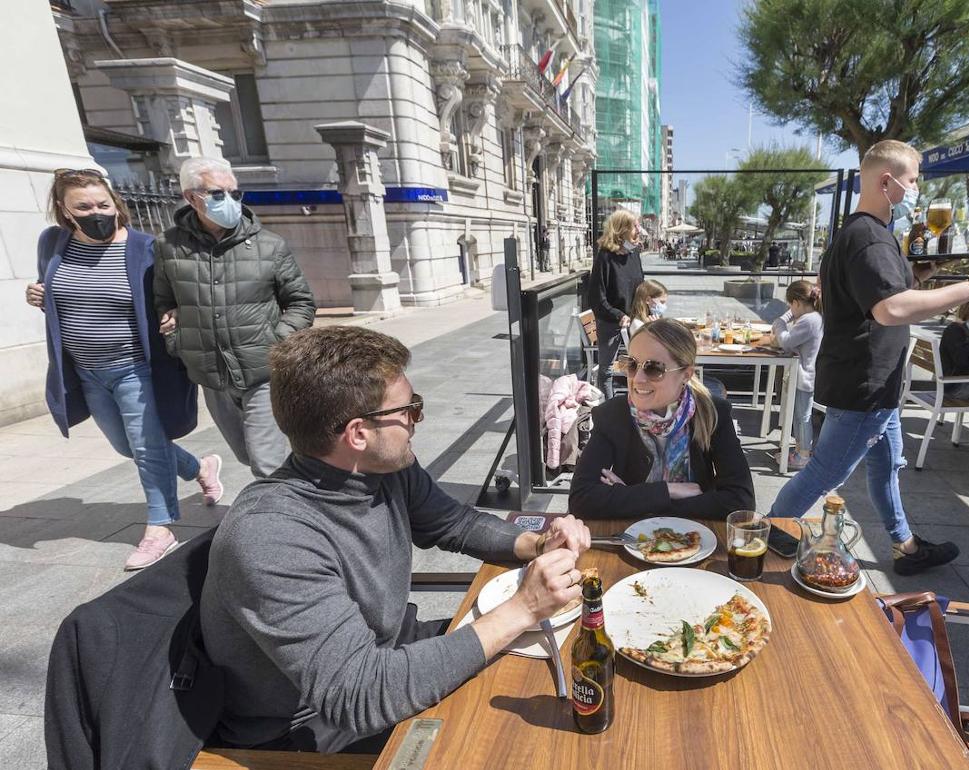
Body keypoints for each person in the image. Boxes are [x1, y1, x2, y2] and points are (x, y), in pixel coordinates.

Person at [200, 325, 592, 753]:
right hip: (310, 731)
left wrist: (538, 544)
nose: (415, 422)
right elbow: (361, 696)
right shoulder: (272, 536)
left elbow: (454, 523)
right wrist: (523, 608)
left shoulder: (383, 467)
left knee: (576, 659)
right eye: (409, 410)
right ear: (358, 434)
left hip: (397, 654)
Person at [768, 139, 969, 576]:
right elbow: (891, 308)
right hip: (866, 383)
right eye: (913, 181)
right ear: (887, 182)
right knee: (824, 473)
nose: (916, 191)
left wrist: (920, 273)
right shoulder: (871, 239)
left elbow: (881, 290)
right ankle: (766, 540)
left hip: (875, 381)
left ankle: (905, 546)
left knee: (885, 469)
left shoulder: (861, 233)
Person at [25, 169, 222, 571]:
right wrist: (40, 294)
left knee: (148, 448)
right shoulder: (52, 243)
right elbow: (62, 290)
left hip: (135, 367)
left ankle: (161, 526)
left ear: (116, 203)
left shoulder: (145, 248)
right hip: (85, 369)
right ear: (64, 210)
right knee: (125, 447)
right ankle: (199, 467)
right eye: (84, 206)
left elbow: (179, 294)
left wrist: (176, 312)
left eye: (103, 203)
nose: (96, 212)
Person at [154, 157, 316, 478]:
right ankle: (303, 484)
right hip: (212, 376)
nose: (228, 201)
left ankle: (284, 520)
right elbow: (164, 300)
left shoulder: (270, 246)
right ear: (191, 197)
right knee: (246, 454)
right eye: (217, 194)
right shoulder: (168, 247)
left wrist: (277, 342)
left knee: (265, 464)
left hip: (262, 370)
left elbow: (301, 303)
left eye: (234, 193)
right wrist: (175, 336)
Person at [569, 318, 754, 520]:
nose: (637, 379)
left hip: (696, 541)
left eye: (653, 368)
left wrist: (632, 498)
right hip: (632, 541)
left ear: (686, 375)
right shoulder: (612, 415)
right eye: (631, 364)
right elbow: (581, 500)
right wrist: (668, 491)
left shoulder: (713, 413)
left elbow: (740, 502)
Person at [587, 209, 645, 392]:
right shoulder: (604, 257)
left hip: (634, 320)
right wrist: (618, 315)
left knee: (642, 367)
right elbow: (596, 297)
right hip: (611, 322)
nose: (639, 230)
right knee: (607, 371)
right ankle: (606, 412)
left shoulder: (633, 254)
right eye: (634, 226)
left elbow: (640, 286)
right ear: (621, 230)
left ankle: (636, 405)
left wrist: (648, 307)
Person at [771, 280, 823, 469]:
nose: (790, 309)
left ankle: (803, 456)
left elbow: (786, 341)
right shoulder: (812, 317)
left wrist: (780, 323)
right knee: (799, 416)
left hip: (804, 377)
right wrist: (788, 316)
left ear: (798, 303)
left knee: (802, 417)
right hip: (804, 375)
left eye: (791, 305)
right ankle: (801, 450)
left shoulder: (809, 321)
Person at [621, 279, 668, 345]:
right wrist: (657, 328)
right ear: (648, 300)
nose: (664, 306)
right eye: (662, 302)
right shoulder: (638, 324)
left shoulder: (650, 319)